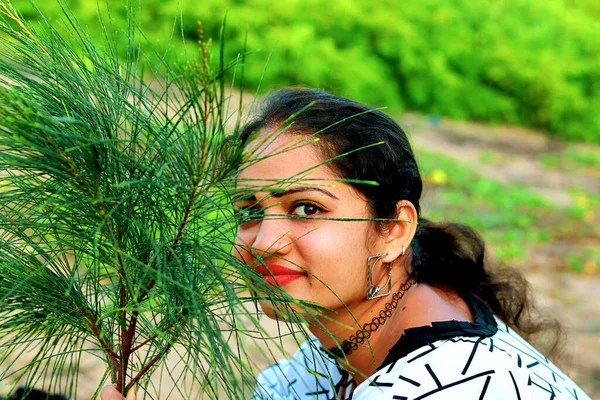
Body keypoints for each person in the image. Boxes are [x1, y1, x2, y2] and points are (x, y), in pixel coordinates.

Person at [102, 88, 592, 399]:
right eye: (249, 211)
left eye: (307, 208)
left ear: (394, 230)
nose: (264, 242)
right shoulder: (338, 344)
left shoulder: (451, 384)